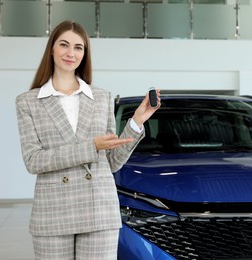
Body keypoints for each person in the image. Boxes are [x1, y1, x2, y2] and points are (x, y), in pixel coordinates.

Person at [15, 20, 160, 259]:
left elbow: (111, 162)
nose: (71, 53)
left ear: (85, 53)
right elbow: (33, 161)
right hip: (52, 211)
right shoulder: (28, 101)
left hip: (98, 209)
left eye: (78, 47)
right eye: (64, 45)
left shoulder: (102, 98)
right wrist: (91, 147)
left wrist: (136, 121)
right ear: (52, 48)